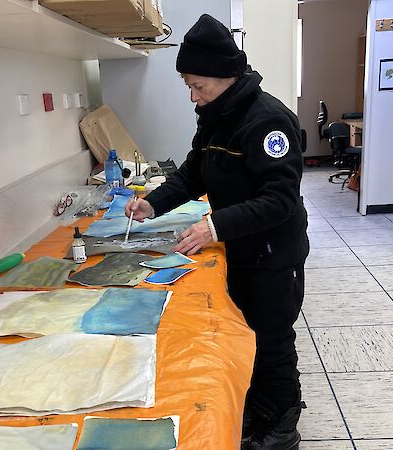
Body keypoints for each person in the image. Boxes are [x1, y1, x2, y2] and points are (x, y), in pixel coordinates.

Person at [124, 14, 309, 450]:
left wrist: (214, 225)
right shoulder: (218, 114)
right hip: (242, 248)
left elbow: (279, 200)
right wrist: (154, 201)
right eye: (188, 85)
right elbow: (194, 172)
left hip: (273, 254)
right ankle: (259, 406)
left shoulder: (267, 122)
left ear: (227, 76)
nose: (193, 96)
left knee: (272, 338)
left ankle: (283, 424)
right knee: (248, 331)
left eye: (198, 86)